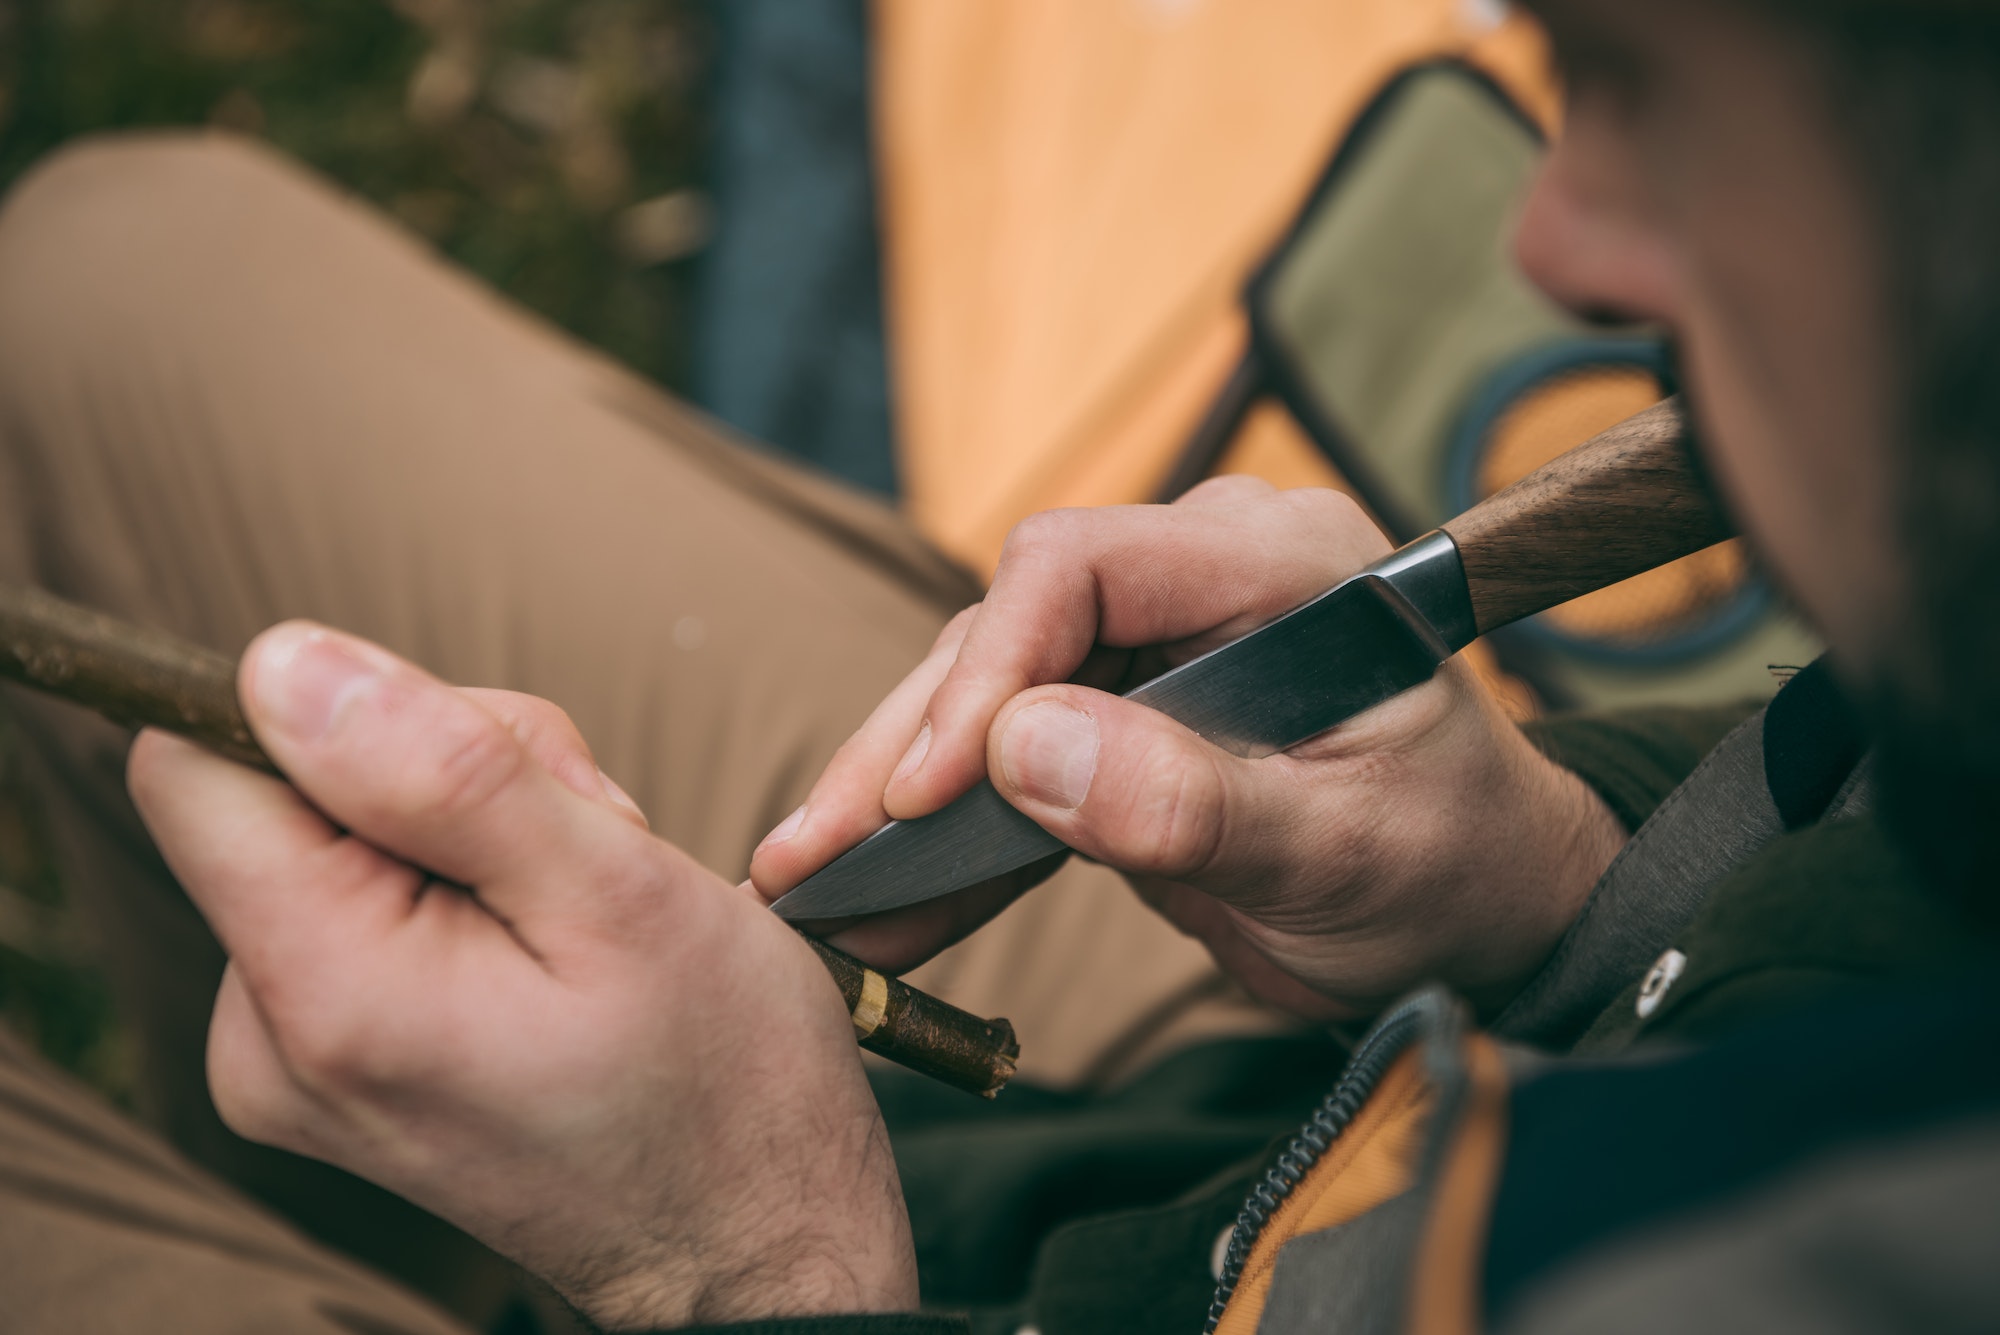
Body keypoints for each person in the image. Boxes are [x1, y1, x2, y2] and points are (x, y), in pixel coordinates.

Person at [1, 1, 1996, 1333]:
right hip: (1251, 1126)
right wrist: (1553, 884)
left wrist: (746, 1256)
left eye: (1643, 84)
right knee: (112, 294)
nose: (1555, 236)